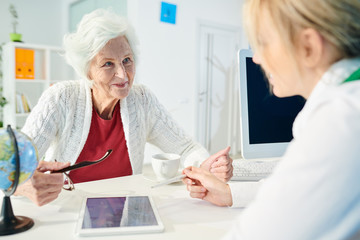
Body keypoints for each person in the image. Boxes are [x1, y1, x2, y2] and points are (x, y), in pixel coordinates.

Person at [15, 9, 233, 206]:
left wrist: (206, 167)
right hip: (69, 208)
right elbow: (13, 165)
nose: (122, 74)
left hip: (128, 207)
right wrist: (23, 184)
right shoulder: (60, 98)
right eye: (108, 63)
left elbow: (186, 148)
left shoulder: (142, 99)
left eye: (127, 60)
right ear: (87, 70)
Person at [183, 0, 360, 239]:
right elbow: (298, 192)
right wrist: (230, 193)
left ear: (308, 46)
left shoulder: (339, 121)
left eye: (263, 43)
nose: (256, 58)